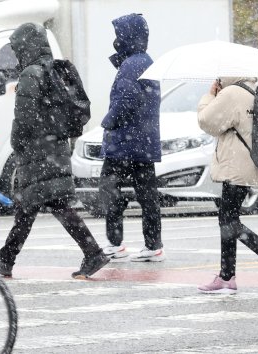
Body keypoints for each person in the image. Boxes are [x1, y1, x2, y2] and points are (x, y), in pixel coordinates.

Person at [0, 23, 109, 279]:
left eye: (17, 49)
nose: (16, 54)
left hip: (37, 151)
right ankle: (90, 253)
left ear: (26, 46)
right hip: (55, 148)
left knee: (33, 206)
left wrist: (17, 145)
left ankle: (7, 260)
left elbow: (24, 118)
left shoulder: (31, 73)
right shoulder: (54, 71)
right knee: (44, 206)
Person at [196, 77, 258, 294]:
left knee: (228, 220)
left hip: (236, 165)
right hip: (249, 163)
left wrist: (208, 97)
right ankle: (226, 277)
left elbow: (206, 121)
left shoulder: (232, 93)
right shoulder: (251, 90)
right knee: (228, 219)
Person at [98, 14, 164, 262]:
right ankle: (153, 245)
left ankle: (115, 243)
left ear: (127, 37)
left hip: (125, 142)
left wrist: (108, 122)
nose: (115, 41)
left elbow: (127, 99)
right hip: (142, 143)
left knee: (110, 190)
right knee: (148, 195)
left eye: (118, 35)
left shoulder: (132, 64)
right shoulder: (144, 61)